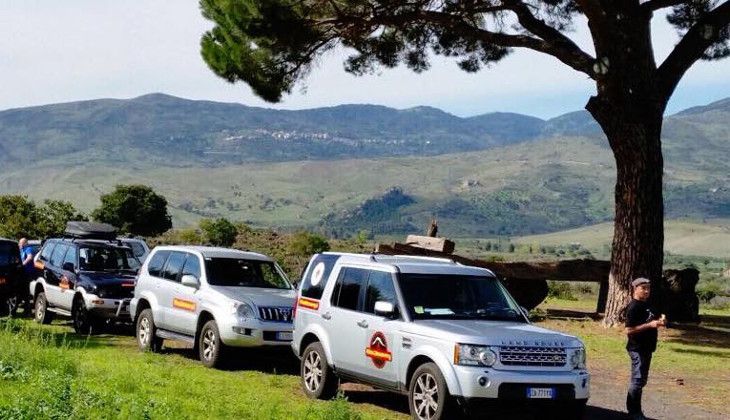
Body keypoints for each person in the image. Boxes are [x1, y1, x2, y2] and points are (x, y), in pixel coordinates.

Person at [624, 277, 666, 420]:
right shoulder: (633, 307)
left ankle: (635, 410)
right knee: (637, 380)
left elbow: (655, 319)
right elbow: (629, 330)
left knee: (641, 381)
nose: (647, 291)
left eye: (648, 288)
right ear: (635, 289)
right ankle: (634, 412)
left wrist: (662, 321)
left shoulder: (648, 305)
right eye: (643, 288)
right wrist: (650, 325)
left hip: (647, 348)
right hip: (637, 348)